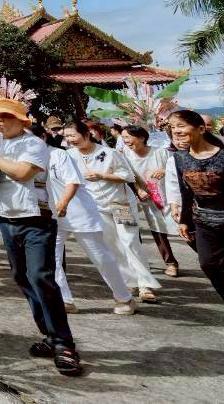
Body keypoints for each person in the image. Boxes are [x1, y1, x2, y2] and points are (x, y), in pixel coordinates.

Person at [0, 99, 81, 377]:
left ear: (22, 121)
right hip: (5, 218)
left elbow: (21, 173)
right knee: (22, 276)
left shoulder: (34, 144)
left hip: (35, 219)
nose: (0, 121)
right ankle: (49, 333)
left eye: (6, 117)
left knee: (41, 276)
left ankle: (63, 343)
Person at [30, 123, 135, 315]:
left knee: (100, 257)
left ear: (43, 138)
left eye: (31, 138)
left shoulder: (59, 155)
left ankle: (124, 297)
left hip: (78, 213)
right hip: (48, 216)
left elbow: (73, 182)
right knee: (52, 259)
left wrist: (63, 203)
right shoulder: (26, 158)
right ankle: (65, 300)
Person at [63, 120, 160, 301]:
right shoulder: (69, 155)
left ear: (85, 134)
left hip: (120, 203)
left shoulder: (109, 153)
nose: (70, 139)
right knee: (112, 244)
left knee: (130, 241)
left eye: (72, 135)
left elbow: (128, 176)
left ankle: (145, 285)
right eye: (66, 136)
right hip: (95, 207)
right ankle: (129, 282)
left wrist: (102, 176)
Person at [170, 109, 224, 303]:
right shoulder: (179, 158)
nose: (175, 131)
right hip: (203, 221)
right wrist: (184, 221)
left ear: (201, 128)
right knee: (208, 264)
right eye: (172, 127)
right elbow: (186, 192)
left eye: (180, 126)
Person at [120, 125, 181, 278]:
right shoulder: (125, 155)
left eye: (128, 137)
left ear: (141, 138)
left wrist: (166, 170)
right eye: (123, 138)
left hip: (167, 196)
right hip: (143, 197)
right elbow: (127, 175)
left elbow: (179, 167)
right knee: (154, 229)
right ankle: (170, 263)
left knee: (182, 227)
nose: (125, 141)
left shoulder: (160, 153)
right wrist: (138, 190)